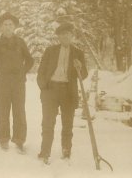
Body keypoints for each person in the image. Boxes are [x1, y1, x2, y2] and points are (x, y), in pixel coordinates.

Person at [0, 12, 34, 152]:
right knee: (3, 111)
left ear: (14, 26)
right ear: (1, 27)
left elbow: (30, 60)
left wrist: (22, 72)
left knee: (19, 111)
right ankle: (4, 139)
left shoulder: (20, 42)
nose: (8, 27)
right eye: (5, 25)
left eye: (10, 24)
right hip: (2, 82)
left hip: (18, 82)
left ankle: (19, 140)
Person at [37, 23, 88, 163]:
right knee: (48, 123)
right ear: (58, 37)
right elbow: (41, 71)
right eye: (62, 34)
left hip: (68, 91)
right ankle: (45, 151)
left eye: (68, 34)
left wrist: (80, 67)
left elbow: (83, 75)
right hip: (51, 90)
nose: (65, 36)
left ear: (72, 36)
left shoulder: (78, 53)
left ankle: (66, 150)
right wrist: (43, 87)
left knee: (67, 124)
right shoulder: (50, 51)